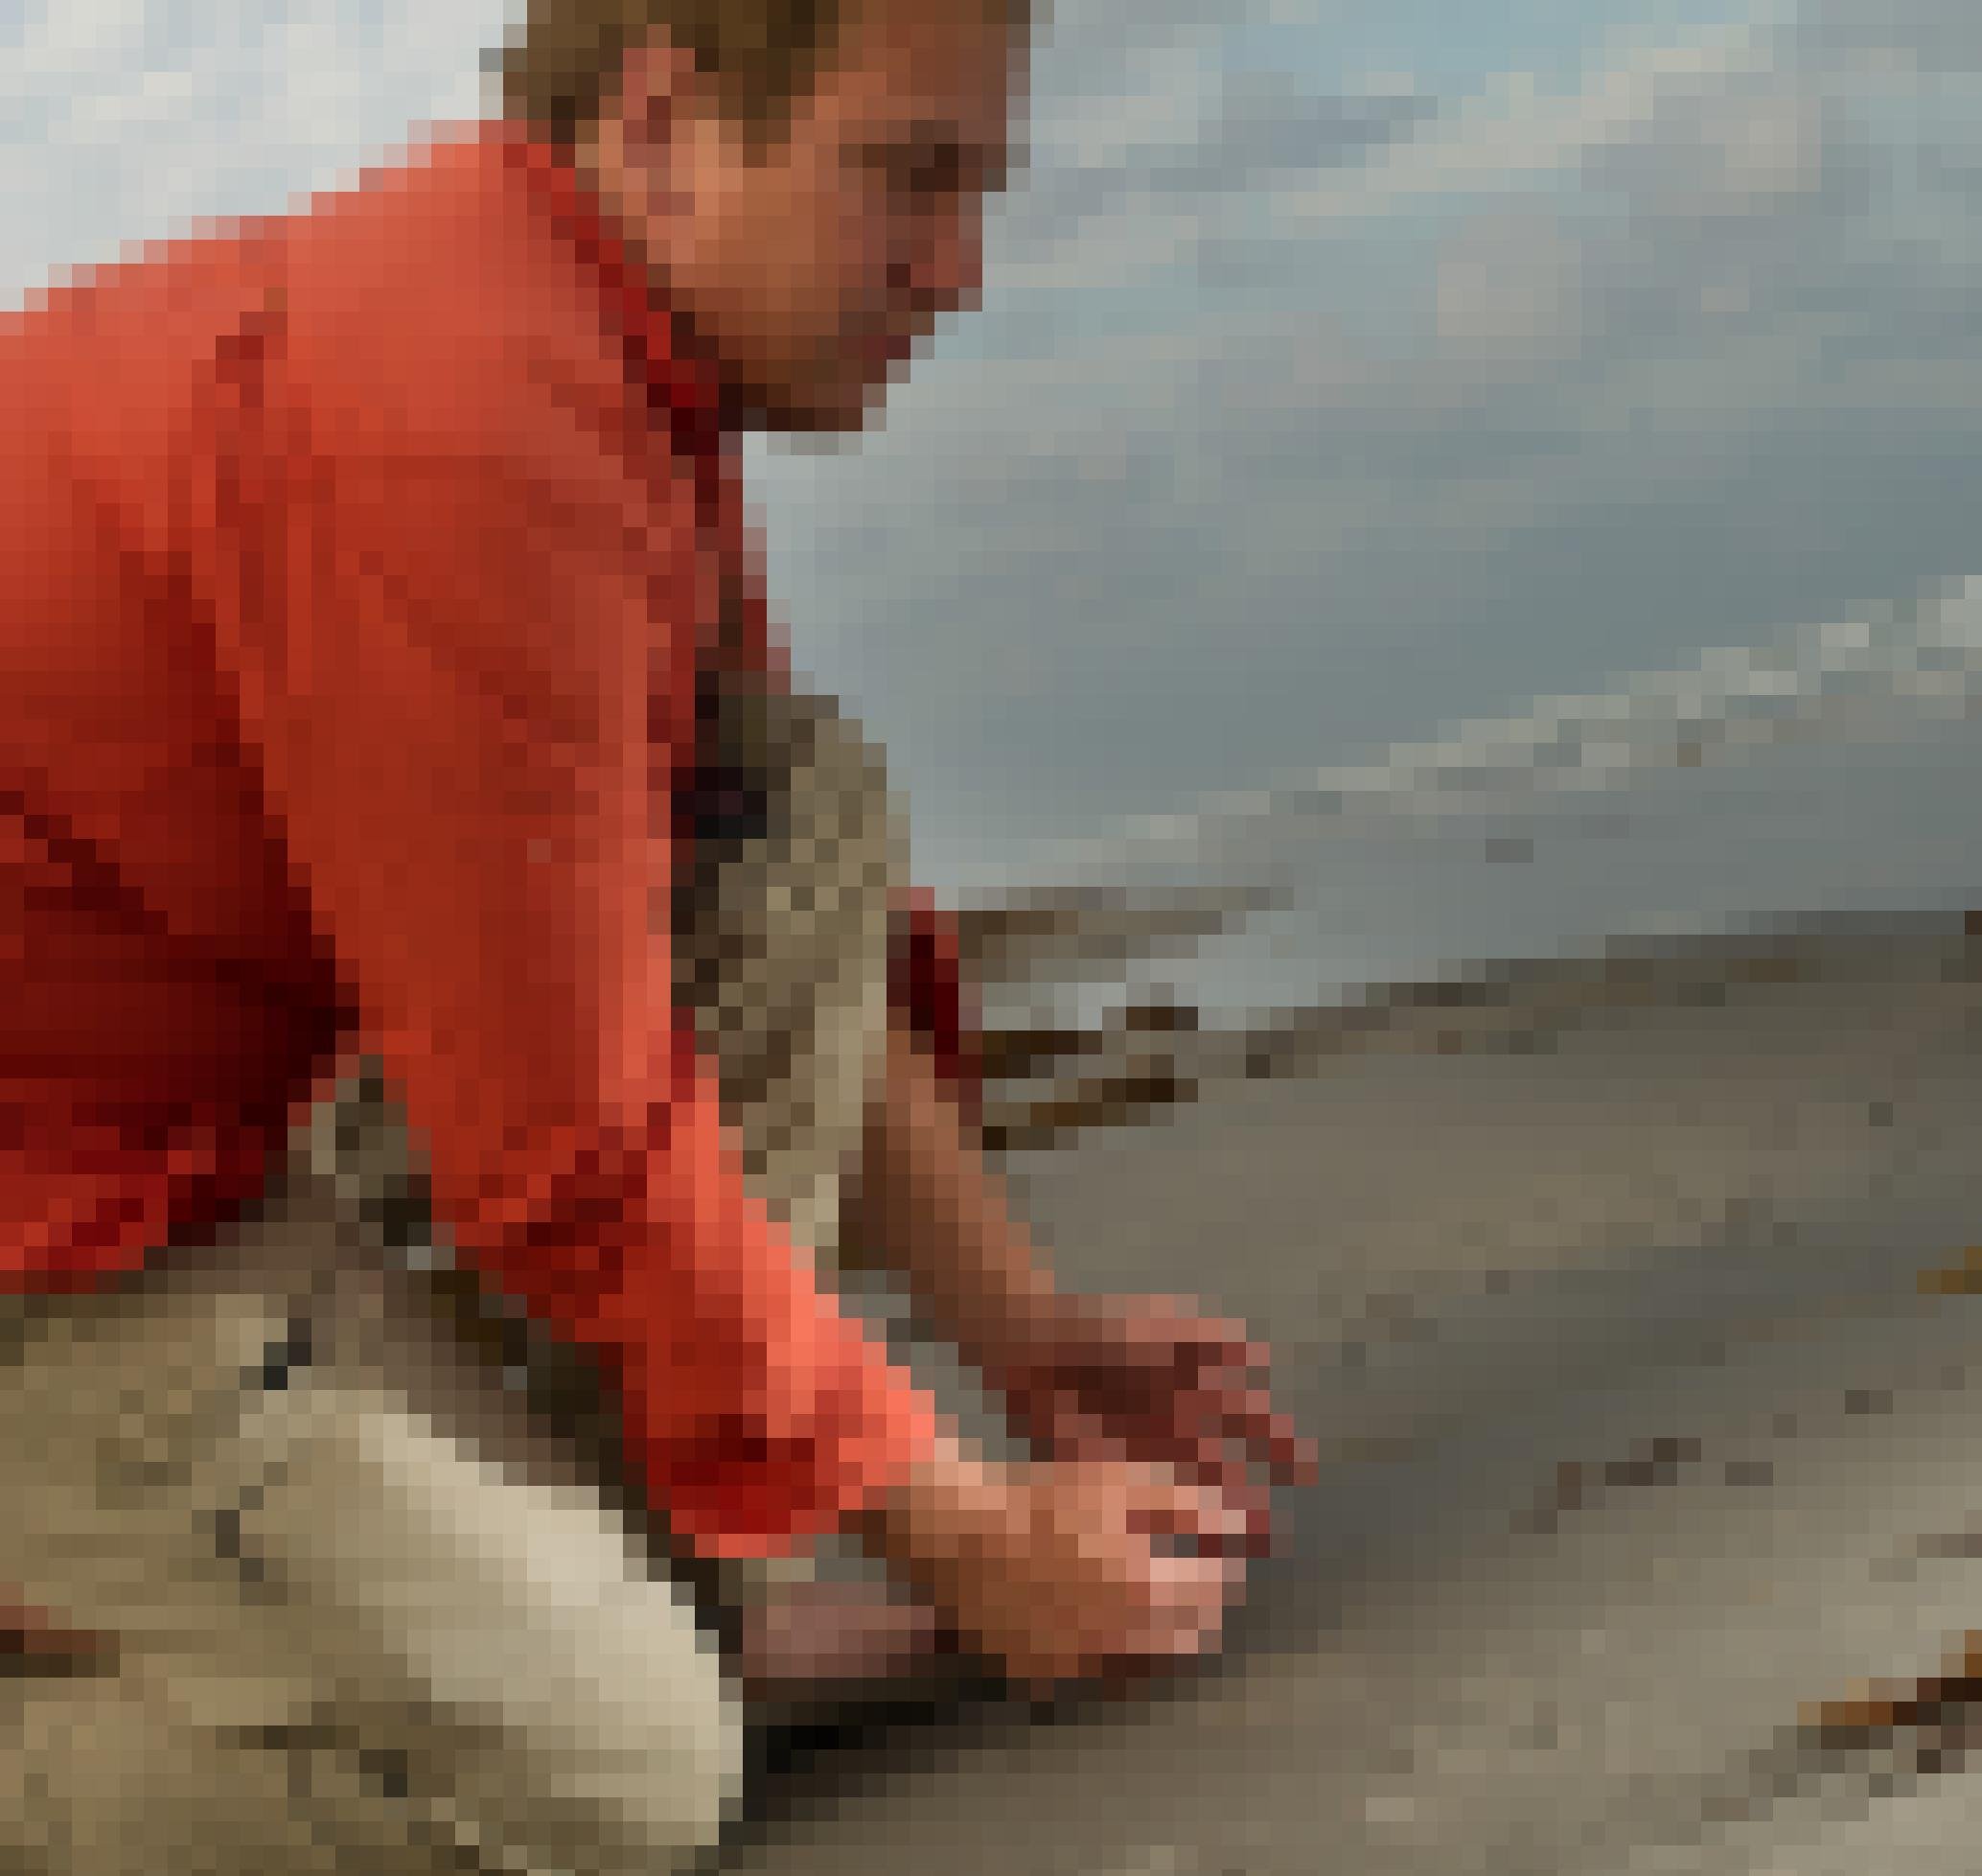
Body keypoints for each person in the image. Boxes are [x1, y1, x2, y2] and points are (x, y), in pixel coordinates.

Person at [0, 0, 1313, 1868]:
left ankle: (627, 1593)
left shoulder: (609, 368)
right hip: (49, 1231)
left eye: (979, 190)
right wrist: (958, 1527)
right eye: (908, 179)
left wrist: (1026, 1329)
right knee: (605, 1781)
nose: (959, 275)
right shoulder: (463, 428)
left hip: (180, 1127)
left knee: (781, 804)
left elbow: (746, 914)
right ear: (666, 118)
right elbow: (562, 1154)